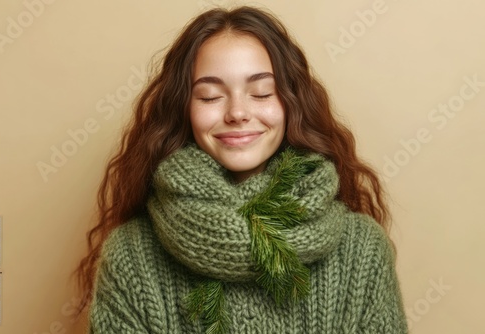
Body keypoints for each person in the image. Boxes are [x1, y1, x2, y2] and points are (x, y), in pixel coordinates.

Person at [74, 5, 409, 333]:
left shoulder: (362, 249)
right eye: (209, 96)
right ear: (183, 110)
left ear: (291, 102)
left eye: (261, 93)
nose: (237, 112)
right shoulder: (130, 256)